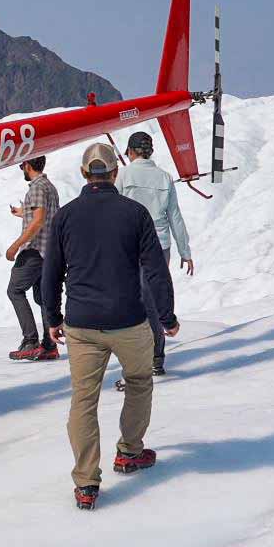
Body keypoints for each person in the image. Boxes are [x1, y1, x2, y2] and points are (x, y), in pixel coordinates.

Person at [43, 142, 180, 510]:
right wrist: (166, 317)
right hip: (129, 321)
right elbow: (154, 271)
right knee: (138, 382)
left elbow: (51, 272)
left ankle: (87, 483)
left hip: (82, 323)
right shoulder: (135, 214)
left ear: (85, 174)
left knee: (83, 400)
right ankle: (129, 453)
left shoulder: (66, 216)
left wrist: (53, 318)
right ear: (115, 173)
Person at [116, 130, 194, 376]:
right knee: (151, 298)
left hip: (129, 244)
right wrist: (185, 250)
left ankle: (140, 358)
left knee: (132, 301)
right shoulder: (165, 178)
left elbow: (113, 210)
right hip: (160, 245)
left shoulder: (122, 175)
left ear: (130, 152)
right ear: (150, 152)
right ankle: (156, 356)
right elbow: (175, 216)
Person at [4, 155, 59, 361]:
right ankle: (49, 345)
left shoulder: (36, 188)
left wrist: (15, 246)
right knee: (42, 297)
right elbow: (46, 216)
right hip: (50, 251)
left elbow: (37, 222)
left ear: (27, 165)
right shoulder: (49, 187)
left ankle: (30, 341)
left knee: (15, 290)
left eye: (22, 165)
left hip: (34, 250)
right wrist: (23, 212)